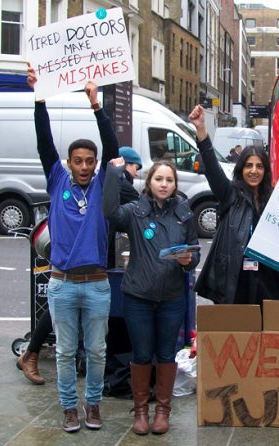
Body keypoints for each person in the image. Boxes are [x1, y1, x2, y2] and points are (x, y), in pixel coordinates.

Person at [27, 64, 118, 433]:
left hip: (97, 284)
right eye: (77, 161)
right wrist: (39, 99)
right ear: (68, 163)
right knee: (64, 352)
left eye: (89, 161)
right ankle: (69, 407)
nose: (83, 166)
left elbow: (112, 146)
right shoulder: (56, 179)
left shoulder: (103, 184)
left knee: (96, 352)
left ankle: (92, 404)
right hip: (62, 284)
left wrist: (96, 106)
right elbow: (43, 140)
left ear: (96, 165)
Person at [103, 158, 199, 435]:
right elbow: (108, 211)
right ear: (149, 182)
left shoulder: (184, 212)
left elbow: (194, 254)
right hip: (137, 297)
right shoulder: (135, 211)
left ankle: (162, 411)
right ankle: (141, 411)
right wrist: (112, 173)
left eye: (169, 180)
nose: (164, 184)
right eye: (159, 179)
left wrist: (186, 261)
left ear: (175, 184)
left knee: (167, 354)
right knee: (142, 354)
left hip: (171, 298)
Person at [189, 104, 279, 304]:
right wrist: (201, 131)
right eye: (249, 165)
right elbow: (211, 165)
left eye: (259, 166)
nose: (254, 171)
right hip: (236, 279)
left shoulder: (274, 199)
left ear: (265, 171)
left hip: (268, 280)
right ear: (241, 168)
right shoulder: (230, 194)